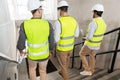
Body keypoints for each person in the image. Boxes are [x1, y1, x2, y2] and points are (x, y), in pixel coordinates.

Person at [17, 0, 54, 80]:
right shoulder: (48, 24)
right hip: (44, 55)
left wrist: (21, 51)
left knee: (32, 69)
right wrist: (51, 51)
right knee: (43, 71)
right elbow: (51, 41)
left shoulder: (24, 24)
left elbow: (21, 42)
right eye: (41, 9)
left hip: (32, 56)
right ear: (39, 9)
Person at [54, 0, 79, 80]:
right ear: (67, 9)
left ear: (60, 10)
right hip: (70, 48)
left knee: (63, 66)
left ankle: (65, 76)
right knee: (66, 64)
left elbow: (56, 39)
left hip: (62, 49)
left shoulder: (59, 22)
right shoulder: (74, 20)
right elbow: (76, 35)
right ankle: (62, 72)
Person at [79, 4, 107, 76]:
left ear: (95, 12)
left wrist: (84, 37)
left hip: (90, 44)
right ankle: (91, 71)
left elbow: (90, 37)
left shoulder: (94, 23)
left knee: (81, 54)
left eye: (93, 12)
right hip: (97, 45)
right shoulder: (103, 23)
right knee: (92, 57)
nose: (92, 14)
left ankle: (86, 70)